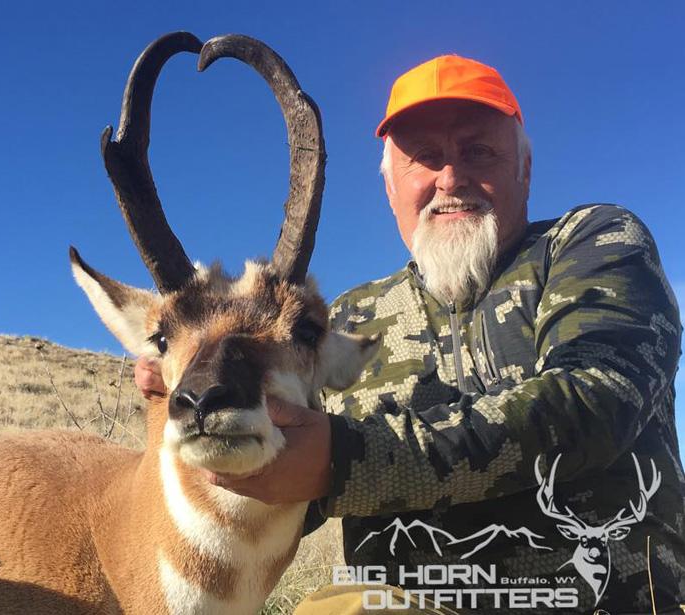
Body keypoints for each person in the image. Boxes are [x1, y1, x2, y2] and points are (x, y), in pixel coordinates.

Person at [135, 55, 685, 614]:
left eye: (478, 151)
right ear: (391, 186)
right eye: (425, 158)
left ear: (524, 167)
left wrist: (340, 461)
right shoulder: (345, 321)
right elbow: (287, 469)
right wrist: (203, 398)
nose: (451, 178)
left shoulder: (593, 244)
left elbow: (596, 399)